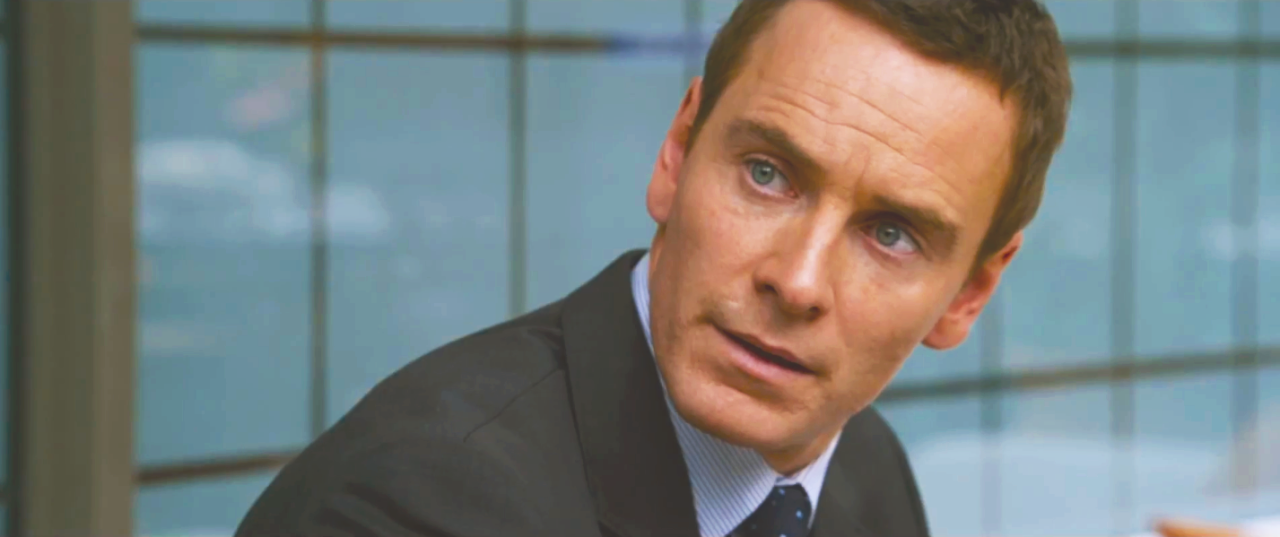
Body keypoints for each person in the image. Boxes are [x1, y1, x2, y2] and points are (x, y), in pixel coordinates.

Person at [235, 0, 1072, 535]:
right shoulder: (421, 503)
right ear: (677, 151)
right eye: (767, 174)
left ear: (970, 293)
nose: (798, 280)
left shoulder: (864, 469)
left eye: (891, 234)